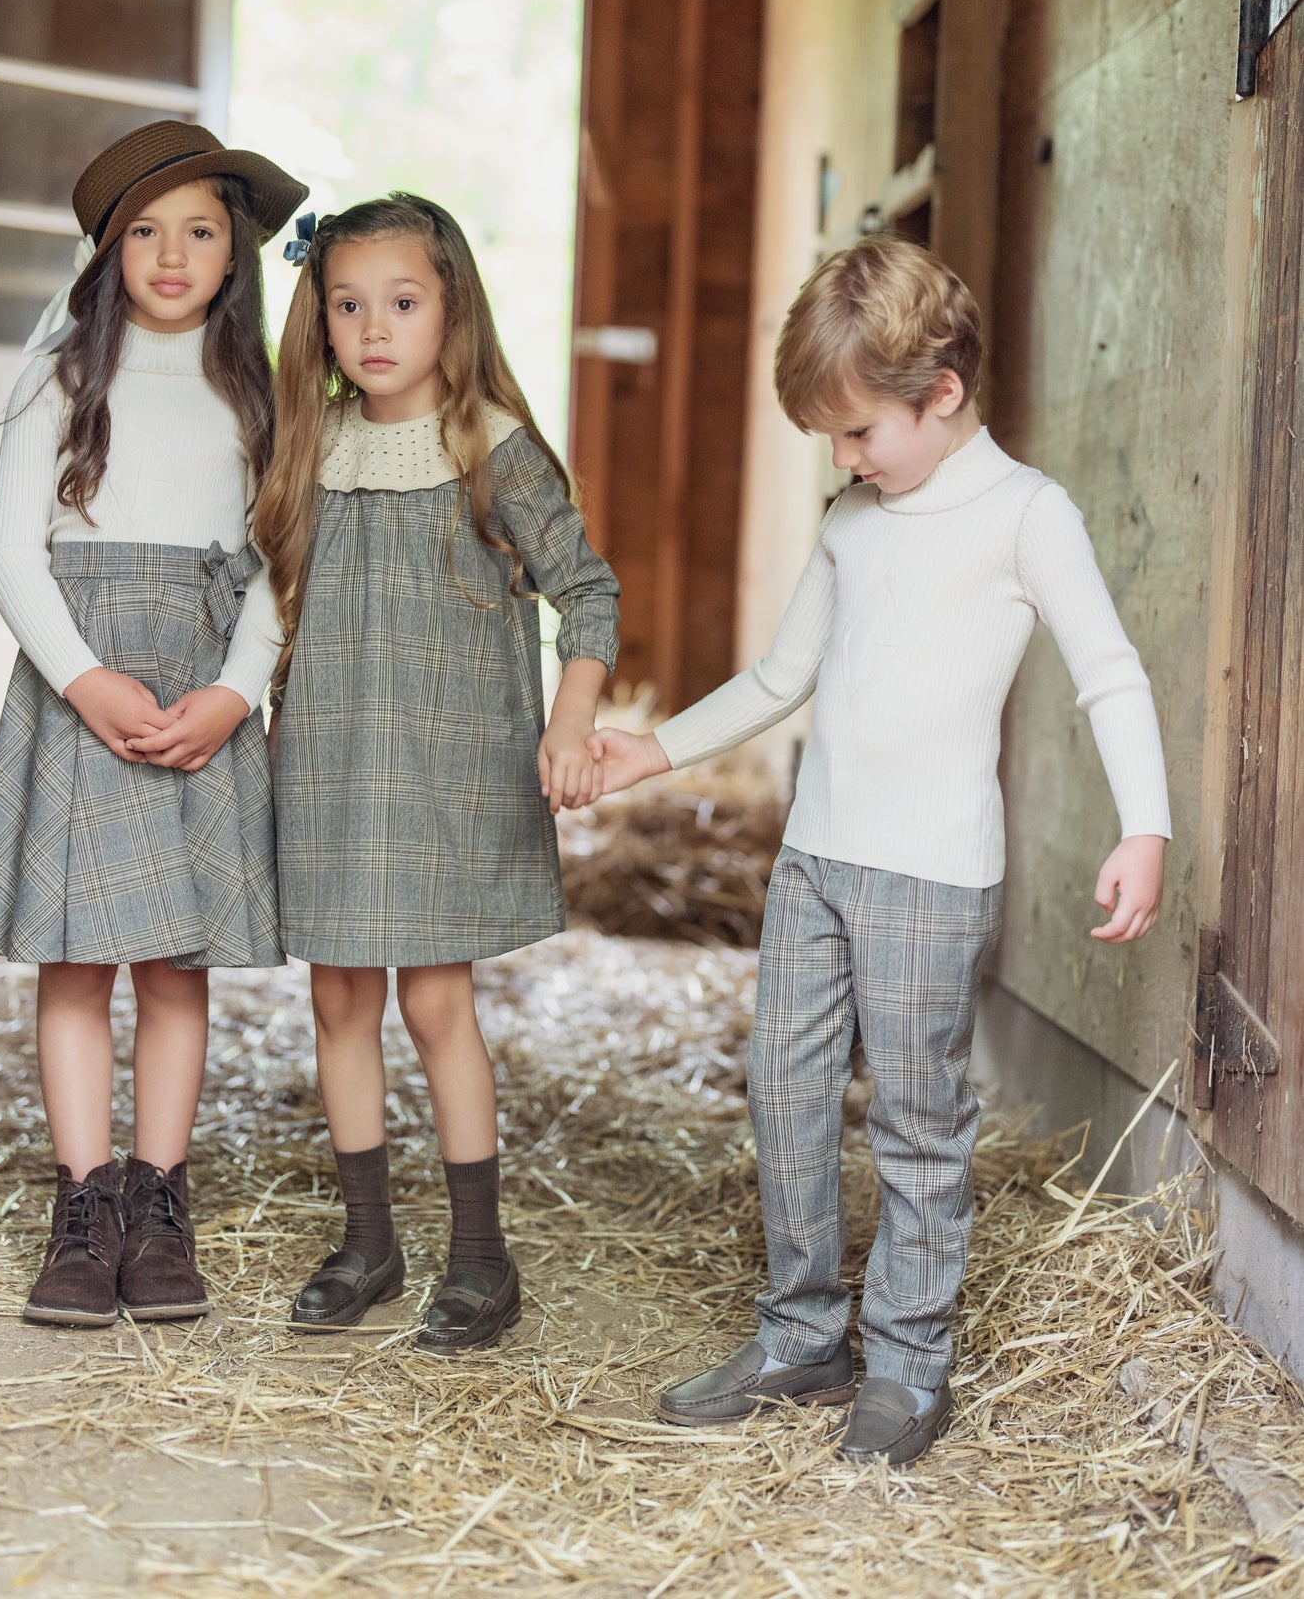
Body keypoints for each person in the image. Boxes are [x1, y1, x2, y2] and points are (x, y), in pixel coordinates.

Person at [590, 235, 1170, 1464]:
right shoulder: (855, 517)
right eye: (830, 440)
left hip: (928, 873)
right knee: (784, 1092)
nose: (844, 459)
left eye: (857, 432)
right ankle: (801, 1331)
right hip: (814, 858)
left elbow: (1107, 674)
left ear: (941, 394)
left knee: (915, 1116)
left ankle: (907, 1361)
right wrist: (658, 748)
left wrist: (1144, 823)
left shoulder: (1026, 515)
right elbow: (780, 673)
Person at [0, 121, 306, 1331]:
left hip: (200, 682)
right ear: (108, 253)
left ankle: (159, 1199)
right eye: (145, 231)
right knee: (76, 952)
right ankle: (83, 1198)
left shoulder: (258, 395)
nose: (172, 253)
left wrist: (237, 685)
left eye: (200, 230)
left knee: (172, 956)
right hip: (84, 678)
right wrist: (82, 678)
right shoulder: (61, 379)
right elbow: (9, 553)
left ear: (234, 252)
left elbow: (278, 557)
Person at [256, 193, 619, 1354]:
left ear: (448, 309)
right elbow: (263, 598)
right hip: (329, 762)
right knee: (337, 998)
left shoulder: (486, 440)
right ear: (318, 315)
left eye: (401, 303)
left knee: (434, 1000)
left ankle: (479, 1257)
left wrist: (569, 723)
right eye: (348, 304)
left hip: (443, 770)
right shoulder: (307, 440)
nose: (374, 329)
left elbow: (588, 589)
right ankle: (368, 1241)